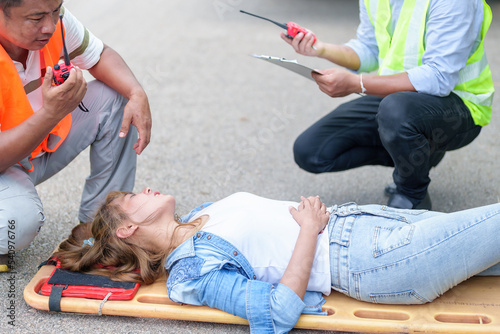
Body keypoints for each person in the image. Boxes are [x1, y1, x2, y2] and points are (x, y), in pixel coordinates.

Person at [54, 187, 500, 333]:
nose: (147, 189)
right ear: (127, 230)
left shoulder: (197, 218)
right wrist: (308, 230)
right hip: (379, 260)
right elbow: (278, 311)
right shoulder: (190, 270)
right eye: (135, 196)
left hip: (377, 223)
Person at [281, 0, 494, 211]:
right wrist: (319, 48)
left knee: (395, 111)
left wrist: (358, 84)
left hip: (459, 106)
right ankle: (419, 153)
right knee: (311, 151)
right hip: (397, 100)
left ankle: (411, 195)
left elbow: (439, 78)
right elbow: (368, 51)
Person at [0, 0, 152, 272]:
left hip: (34, 147)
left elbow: (100, 54)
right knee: (17, 223)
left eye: (56, 10)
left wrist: (137, 92)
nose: (50, 25)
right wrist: (50, 114)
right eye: (36, 18)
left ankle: (97, 228)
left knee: (117, 97)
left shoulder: (53, 18)